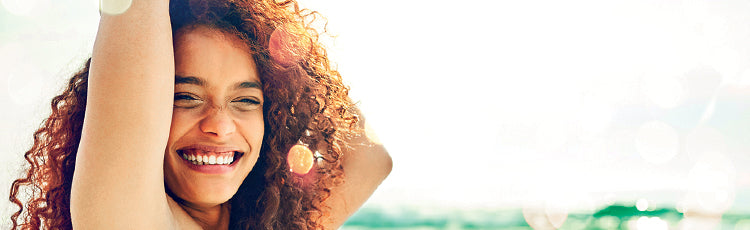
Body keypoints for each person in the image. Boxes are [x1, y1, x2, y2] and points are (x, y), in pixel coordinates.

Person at [8, 0, 392, 229]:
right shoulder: (123, 219)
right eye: (186, 97)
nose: (220, 126)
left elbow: (370, 160)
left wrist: (277, 28)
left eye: (246, 101)